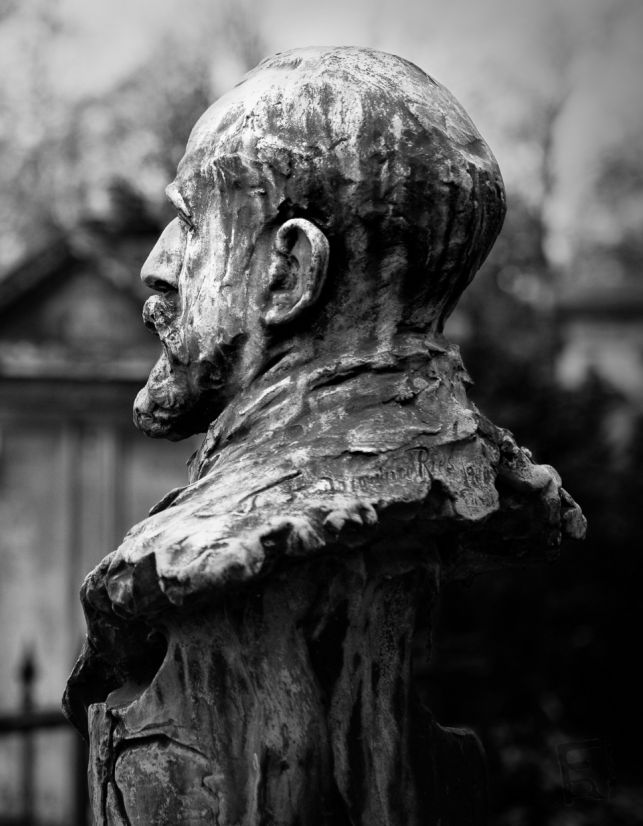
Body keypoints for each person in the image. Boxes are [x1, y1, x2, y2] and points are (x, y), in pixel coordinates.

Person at [64, 46, 584, 824]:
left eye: (188, 222)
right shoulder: (442, 481)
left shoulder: (225, 550)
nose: (154, 265)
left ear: (288, 273)